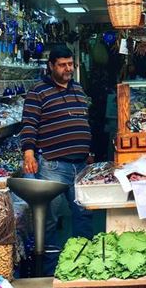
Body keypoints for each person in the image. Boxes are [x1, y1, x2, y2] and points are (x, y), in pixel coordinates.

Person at [21, 44, 94, 259]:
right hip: (52, 165)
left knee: (83, 213)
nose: (68, 69)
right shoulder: (38, 91)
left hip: (80, 165)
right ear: (51, 66)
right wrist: (28, 152)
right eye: (62, 65)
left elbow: (84, 121)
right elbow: (29, 124)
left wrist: (89, 151)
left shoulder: (78, 89)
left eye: (70, 64)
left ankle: (84, 260)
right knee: (49, 218)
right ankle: (48, 269)